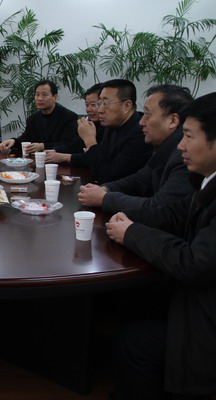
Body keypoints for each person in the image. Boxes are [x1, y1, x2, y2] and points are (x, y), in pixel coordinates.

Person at [105, 92, 216, 400]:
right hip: (194, 295)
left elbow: (195, 262)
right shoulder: (205, 180)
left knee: (135, 342)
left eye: (189, 136)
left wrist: (131, 232)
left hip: (204, 316)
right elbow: (175, 213)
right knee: (128, 302)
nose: (181, 145)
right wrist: (128, 223)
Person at [78, 84, 194, 213]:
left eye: (148, 115)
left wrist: (105, 198)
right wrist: (105, 189)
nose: (141, 122)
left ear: (173, 120)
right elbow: (141, 179)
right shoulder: (164, 146)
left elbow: (162, 208)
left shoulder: (186, 156)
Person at [69, 79, 153, 184]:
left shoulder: (141, 133)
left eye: (105, 103)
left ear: (126, 106)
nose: (100, 110)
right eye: (99, 103)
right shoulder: (112, 125)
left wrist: (90, 141)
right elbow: (100, 161)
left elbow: (107, 176)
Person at [0, 80, 78, 154]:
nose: (39, 98)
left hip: (60, 162)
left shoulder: (69, 117)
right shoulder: (32, 119)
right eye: (37, 94)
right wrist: (13, 141)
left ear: (55, 97)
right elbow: (26, 139)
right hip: (36, 161)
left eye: (44, 95)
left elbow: (69, 145)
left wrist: (43, 146)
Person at [45, 83, 104, 162]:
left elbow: (99, 158)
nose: (89, 109)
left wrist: (65, 157)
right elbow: (75, 145)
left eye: (93, 105)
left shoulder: (111, 128)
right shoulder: (90, 123)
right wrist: (54, 151)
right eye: (87, 105)